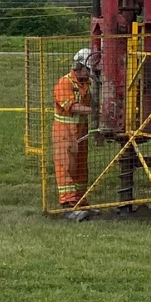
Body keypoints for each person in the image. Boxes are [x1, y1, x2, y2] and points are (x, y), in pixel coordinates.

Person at [51, 47, 94, 217]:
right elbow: (72, 107)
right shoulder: (65, 83)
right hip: (64, 133)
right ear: (79, 67)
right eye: (89, 70)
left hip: (81, 133)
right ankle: (68, 204)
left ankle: (80, 202)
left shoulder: (88, 84)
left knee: (81, 168)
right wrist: (95, 112)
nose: (91, 74)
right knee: (66, 166)